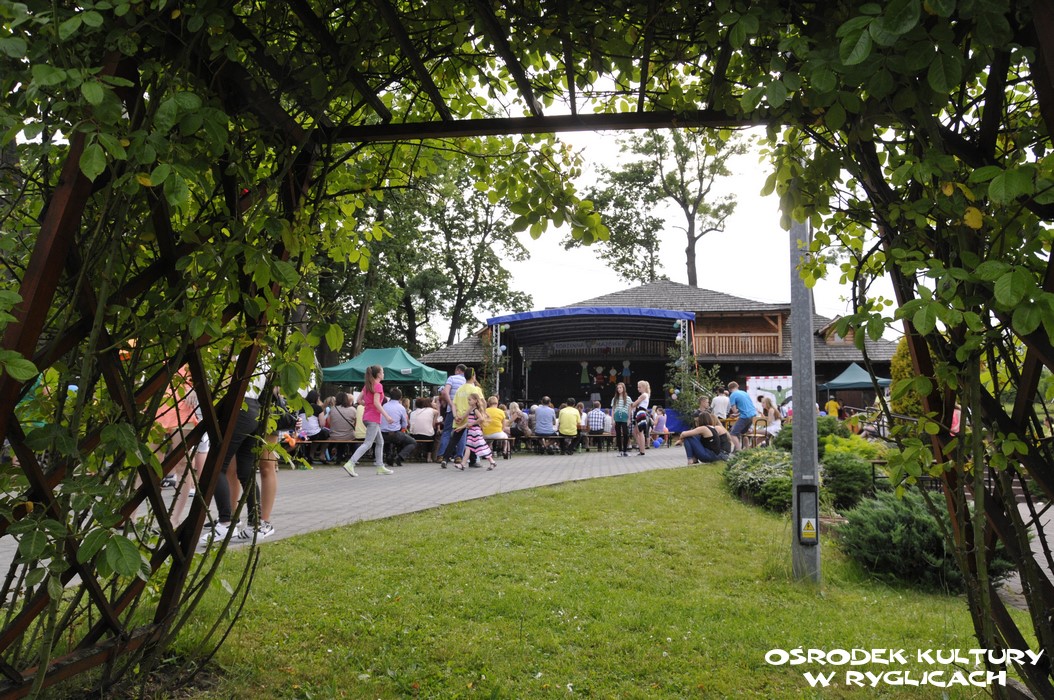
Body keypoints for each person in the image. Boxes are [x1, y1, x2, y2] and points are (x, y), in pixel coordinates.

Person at [341, 365, 395, 477]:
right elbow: (376, 403)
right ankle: (350, 463)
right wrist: (387, 416)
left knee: (380, 442)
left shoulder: (367, 386)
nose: (384, 374)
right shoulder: (378, 386)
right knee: (368, 444)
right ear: (378, 374)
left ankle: (380, 467)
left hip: (367, 417)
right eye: (382, 372)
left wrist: (368, 405)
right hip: (373, 418)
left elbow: (358, 400)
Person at [441, 367, 485, 468]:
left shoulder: (460, 389)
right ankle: (473, 461)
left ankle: (445, 459)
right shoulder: (475, 389)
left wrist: (455, 416)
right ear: (473, 376)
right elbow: (480, 403)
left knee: (454, 439)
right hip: (471, 418)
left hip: (459, 418)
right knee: (473, 439)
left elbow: (454, 404)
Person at [437, 364, 468, 467]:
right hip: (464, 412)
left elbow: (445, 392)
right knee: (462, 433)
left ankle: (441, 455)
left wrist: (451, 404)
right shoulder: (467, 381)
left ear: (457, 370)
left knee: (446, 432)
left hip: (451, 410)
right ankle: (459, 456)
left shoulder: (451, 378)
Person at [461, 392, 498, 470]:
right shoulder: (471, 409)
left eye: (470, 400)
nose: (468, 401)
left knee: (481, 447)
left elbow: (481, 418)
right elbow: (467, 420)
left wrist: (472, 424)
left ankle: (492, 461)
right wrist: (461, 427)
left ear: (475, 401)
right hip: (472, 432)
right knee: (468, 447)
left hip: (475, 432)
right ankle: (463, 464)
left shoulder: (475, 410)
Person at [381, 386, 417, 466]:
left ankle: (389, 456)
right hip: (395, 434)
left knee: (388, 441)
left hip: (383, 434)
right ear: (400, 397)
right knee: (412, 442)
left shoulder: (384, 406)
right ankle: (400, 457)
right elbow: (404, 424)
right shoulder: (401, 408)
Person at [327, 391, 358, 462]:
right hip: (349, 436)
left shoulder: (332, 409)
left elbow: (329, 423)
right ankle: (352, 458)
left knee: (340, 438)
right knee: (348, 438)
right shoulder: (353, 410)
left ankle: (337, 457)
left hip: (334, 435)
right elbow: (355, 424)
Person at [726, 381, 757, 451]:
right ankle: (747, 449)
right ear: (737, 386)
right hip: (753, 415)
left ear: (729, 389)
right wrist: (737, 414)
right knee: (743, 433)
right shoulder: (744, 393)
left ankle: (739, 451)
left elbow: (734, 410)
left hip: (745, 417)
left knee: (732, 434)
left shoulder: (732, 395)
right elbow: (746, 408)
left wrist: (735, 414)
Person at [409, 396, 440, 462]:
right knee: (433, 433)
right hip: (427, 436)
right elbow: (437, 412)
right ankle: (429, 457)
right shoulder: (431, 410)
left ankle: (414, 455)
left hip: (413, 435)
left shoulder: (412, 413)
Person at [611, 382, 633, 457]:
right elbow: (613, 409)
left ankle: (625, 450)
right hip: (617, 417)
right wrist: (612, 419)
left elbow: (629, 409)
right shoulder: (615, 398)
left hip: (624, 417)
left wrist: (629, 419)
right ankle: (620, 450)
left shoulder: (628, 398)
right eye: (618, 388)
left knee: (626, 434)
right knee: (618, 434)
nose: (619, 389)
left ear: (623, 388)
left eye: (620, 388)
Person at [630, 380, 651, 456]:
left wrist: (629, 402)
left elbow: (634, 404)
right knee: (635, 432)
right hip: (639, 412)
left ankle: (642, 450)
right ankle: (641, 448)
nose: (638, 389)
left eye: (639, 387)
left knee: (640, 432)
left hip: (640, 413)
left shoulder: (644, 395)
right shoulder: (644, 395)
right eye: (638, 387)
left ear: (644, 387)